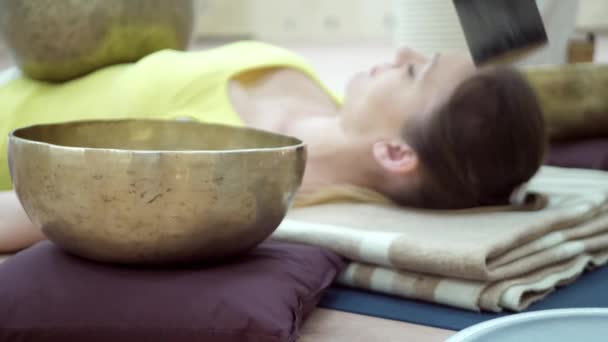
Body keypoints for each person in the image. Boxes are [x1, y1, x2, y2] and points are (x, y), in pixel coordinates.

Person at [0, 40, 547, 252]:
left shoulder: (219, 184)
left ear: (396, 153)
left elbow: (25, 216)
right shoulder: (304, 73)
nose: (401, 48)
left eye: (411, 71)